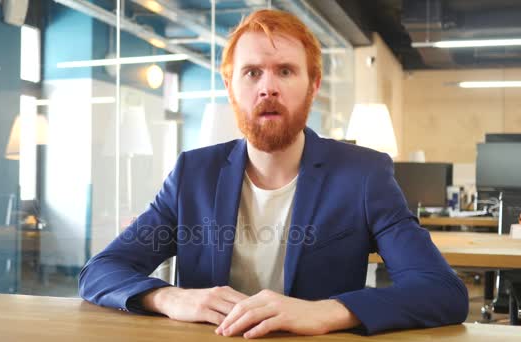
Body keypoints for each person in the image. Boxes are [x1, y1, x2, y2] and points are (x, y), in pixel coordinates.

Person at [79, 9, 468, 338]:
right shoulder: (193, 174)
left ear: (313, 85)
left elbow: (441, 291)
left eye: (285, 71)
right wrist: (169, 297)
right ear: (230, 88)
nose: (268, 88)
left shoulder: (364, 175)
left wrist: (329, 311)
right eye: (251, 73)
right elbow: (102, 270)